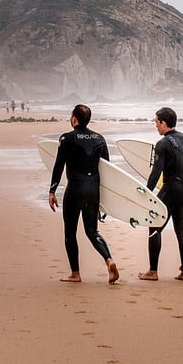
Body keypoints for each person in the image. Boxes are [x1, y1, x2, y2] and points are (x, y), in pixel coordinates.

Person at [49, 104, 120, 284]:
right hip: (93, 191)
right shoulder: (99, 139)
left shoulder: (67, 139)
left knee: (70, 233)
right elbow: (107, 171)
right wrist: (105, 200)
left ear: (74, 119)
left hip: (75, 190)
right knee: (92, 231)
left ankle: (75, 273)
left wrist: (52, 190)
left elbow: (58, 166)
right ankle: (109, 260)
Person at [138, 107, 183, 282]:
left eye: (156, 122)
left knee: (154, 228)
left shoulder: (162, 144)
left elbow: (156, 172)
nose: (155, 126)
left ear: (163, 122)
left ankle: (153, 271)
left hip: (170, 190)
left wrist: (147, 193)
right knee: (182, 230)